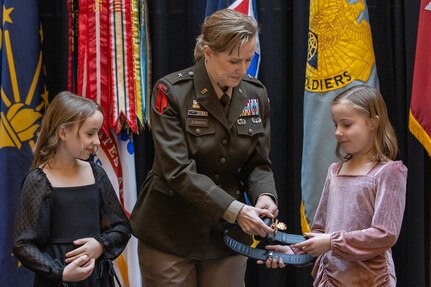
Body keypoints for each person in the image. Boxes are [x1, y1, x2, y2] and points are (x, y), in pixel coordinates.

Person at [130, 8, 278, 287]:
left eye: (248, 59)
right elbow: (178, 171)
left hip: (226, 235)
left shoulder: (255, 93)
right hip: (170, 230)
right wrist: (235, 209)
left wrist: (264, 195)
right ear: (208, 52)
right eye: (234, 60)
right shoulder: (172, 91)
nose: (242, 69)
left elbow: (257, 163)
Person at [259, 85, 407, 286]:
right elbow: (320, 229)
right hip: (330, 279)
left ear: (373, 123)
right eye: (336, 124)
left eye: (346, 124)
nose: (338, 132)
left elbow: (384, 235)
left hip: (371, 280)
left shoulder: (389, 172)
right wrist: (294, 252)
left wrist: (331, 242)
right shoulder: (335, 171)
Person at [13, 92, 131, 287]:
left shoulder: (97, 174)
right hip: (58, 282)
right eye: (90, 133)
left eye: (98, 134)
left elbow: (122, 227)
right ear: (63, 133)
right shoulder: (39, 180)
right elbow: (23, 244)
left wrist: (100, 244)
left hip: (97, 280)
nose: (97, 142)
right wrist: (61, 273)